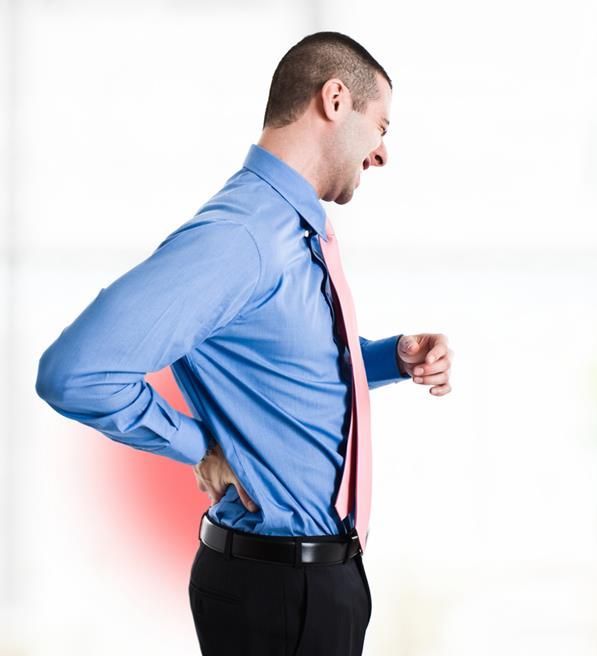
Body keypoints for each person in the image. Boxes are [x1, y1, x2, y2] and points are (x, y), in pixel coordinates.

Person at [35, 30, 453, 656]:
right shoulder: (244, 236)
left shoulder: (289, 228)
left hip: (315, 580)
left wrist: (390, 358)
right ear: (335, 100)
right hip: (278, 591)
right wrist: (198, 446)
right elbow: (74, 371)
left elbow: (294, 369)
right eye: (381, 126)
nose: (382, 153)